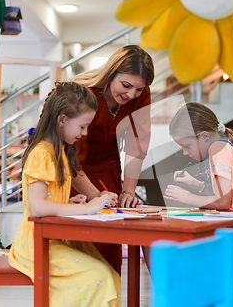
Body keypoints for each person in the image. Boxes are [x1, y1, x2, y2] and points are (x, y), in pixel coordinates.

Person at [8, 82, 121, 306]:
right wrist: (86, 207)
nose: (85, 133)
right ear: (62, 119)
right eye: (82, 127)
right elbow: (37, 207)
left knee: (110, 275)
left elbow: (46, 200)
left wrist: (68, 201)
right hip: (36, 243)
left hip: (53, 237)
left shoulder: (58, 150)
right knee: (99, 277)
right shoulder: (41, 154)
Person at [72, 44, 155, 272]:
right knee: (81, 237)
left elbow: (137, 146)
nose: (131, 95)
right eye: (126, 85)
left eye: (138, 90)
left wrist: (128, 191)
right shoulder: (82, 92)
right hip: (74, 170)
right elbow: (70, 161)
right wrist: (96, 196)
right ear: (110, 74)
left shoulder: (141, 95)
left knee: (108, 240)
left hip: (108, 167)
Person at [164, 102, 233, 257]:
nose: (184, 152)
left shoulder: (218, 149)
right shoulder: (221, 148)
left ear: (204, 136)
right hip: (232, 235)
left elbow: (223, 202)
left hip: (230, 239)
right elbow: (226, 195)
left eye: (186, 146)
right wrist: (195, 184)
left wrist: (187, 197)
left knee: (172, 247)